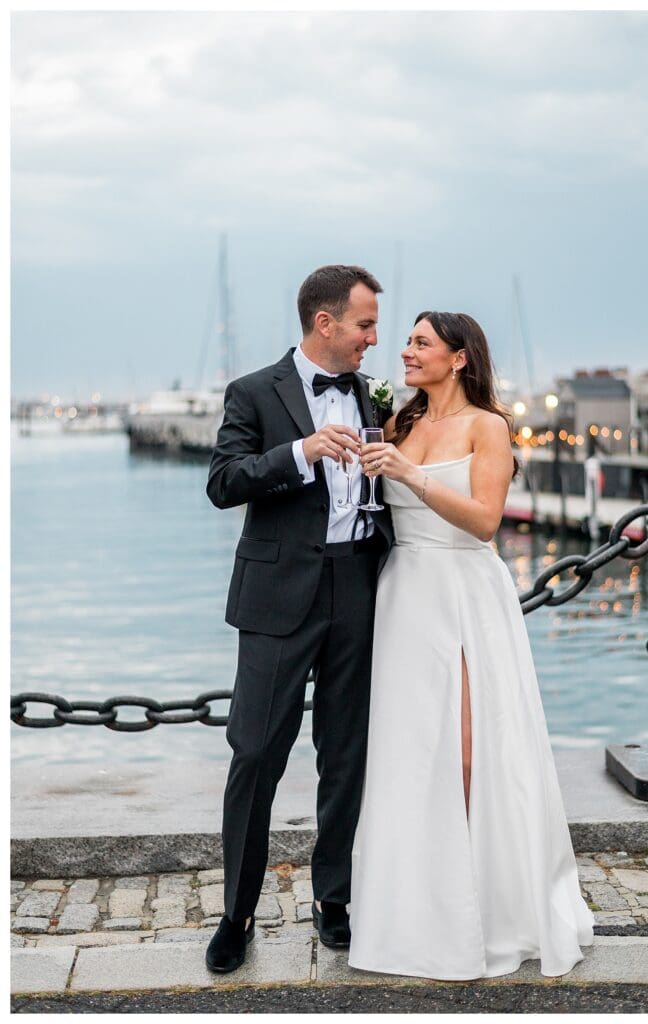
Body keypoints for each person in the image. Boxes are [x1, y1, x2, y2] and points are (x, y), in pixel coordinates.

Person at [349, 310, 594, 980]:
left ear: (459, 357)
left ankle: (482, 906)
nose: (405, 351)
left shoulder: (488, 427)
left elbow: (485, 522)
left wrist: (411, 474)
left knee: (468, 752)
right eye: (406, 341)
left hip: (464, 591)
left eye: (420, 343)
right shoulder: (396, 422)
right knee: (407, 754)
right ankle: (413, 912)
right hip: (405, 596)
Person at [205, 265, 393, 973]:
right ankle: (237, 913)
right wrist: (300, 453)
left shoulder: (374, 396)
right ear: (325, 322)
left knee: (345, 752)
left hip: (358, 584)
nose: (373, 339)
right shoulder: (254, 391)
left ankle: (333, 900)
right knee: (256, 753)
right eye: (365, 325)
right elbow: (224, 481)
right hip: (278, 595)